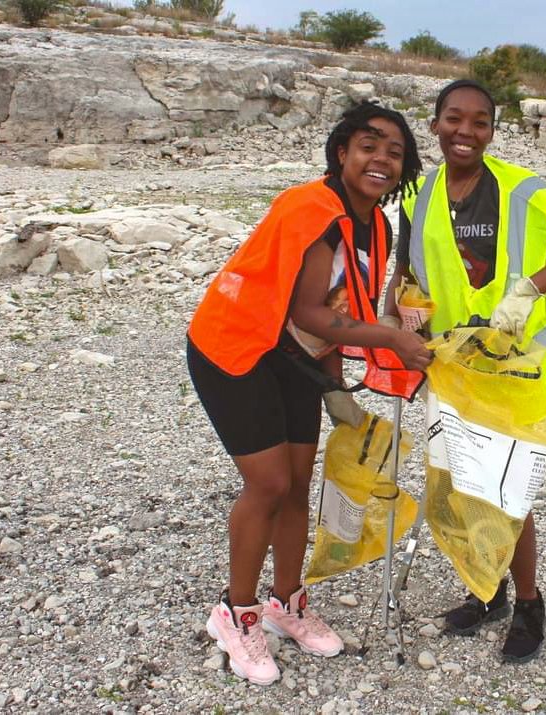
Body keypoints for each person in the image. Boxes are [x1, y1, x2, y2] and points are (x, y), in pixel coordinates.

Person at [187, 102, 432, 686]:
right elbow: (308, 311)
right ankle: (235, 612)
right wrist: (392, 338)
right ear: (342, 151)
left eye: (395, 152)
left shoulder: (376, 223)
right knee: (268, 483)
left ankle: (286, 603)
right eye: (369, 145)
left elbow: (346, 305)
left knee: (299, 481)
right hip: (236, 348)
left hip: (296, 359)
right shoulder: (310, 207)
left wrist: (333, 387)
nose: (382, 159)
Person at [384, 79, 546, 663]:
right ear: (434, 125)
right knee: (462, 482)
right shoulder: (418, 195)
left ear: (492, 132)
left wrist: (529, 288)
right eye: (455, 119)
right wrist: (403, 322)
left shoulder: (522, 190)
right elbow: (407, 277)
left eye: (480, 122)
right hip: (453, 367)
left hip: (514, 367)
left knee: (507, 491)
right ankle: (489, 590)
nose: (466, 132)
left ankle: (528, 601)